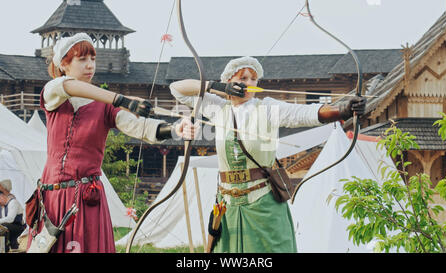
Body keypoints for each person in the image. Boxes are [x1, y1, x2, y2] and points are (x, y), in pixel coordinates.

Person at [169, 56, 366, 253]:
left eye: (253, 79)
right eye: (243, 78)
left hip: (262, 201)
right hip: (227, 204)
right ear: (229, 81)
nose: (249, 83)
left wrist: (342, 110)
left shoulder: (266, 108)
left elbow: (302, 113)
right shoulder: (218, 108)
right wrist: (215, 87)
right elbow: (177, 89)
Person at [29, 33, 196, 253]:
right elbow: (67, 86)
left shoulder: (104, 106)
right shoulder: (54, 92)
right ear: (63, 64)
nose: (90, 66)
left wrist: (175, 129)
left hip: (86, 199)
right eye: (82, 60)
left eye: (93, 59)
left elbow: (141, 127)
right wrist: (122, 100)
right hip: (53, 199)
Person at [0, 180, 26, 251]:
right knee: (3, 227)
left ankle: (4, 249)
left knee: (4, 227)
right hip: (11, 227)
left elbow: (10, 219)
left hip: (19, 227)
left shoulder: (13, 202)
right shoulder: (3, 208)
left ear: (2, 196)